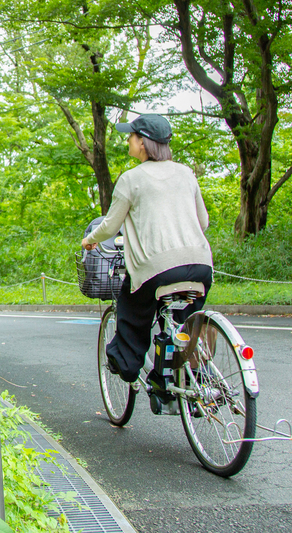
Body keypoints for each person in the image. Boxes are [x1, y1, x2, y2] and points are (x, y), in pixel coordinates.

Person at [80, 114, 213, 393]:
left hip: (157, 270)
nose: (128, 139)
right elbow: (203, 222)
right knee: (186, 320)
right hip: (201, 265)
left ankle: (126, 364)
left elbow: (111, 225)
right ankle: (183, 372)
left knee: (132, 306)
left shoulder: (131, 179)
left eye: (131, 135)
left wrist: (90, 241)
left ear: (143, 142)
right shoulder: (186, 173)